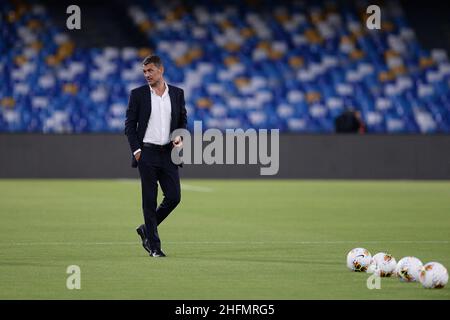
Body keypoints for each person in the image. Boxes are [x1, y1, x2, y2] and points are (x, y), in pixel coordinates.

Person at [124, 55, 187, 257]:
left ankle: (146, 229)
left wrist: (179, 138)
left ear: (161, 70)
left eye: (150, 70)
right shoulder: (138, 94)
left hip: (168, 153)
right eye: (144, 71)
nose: (146, 75)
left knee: (174, 197)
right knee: (149, 201)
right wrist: (137, 151)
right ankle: (155, 246)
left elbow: (182, 120)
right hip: (147, 153)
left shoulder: (177, 93)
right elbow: (129, 126)